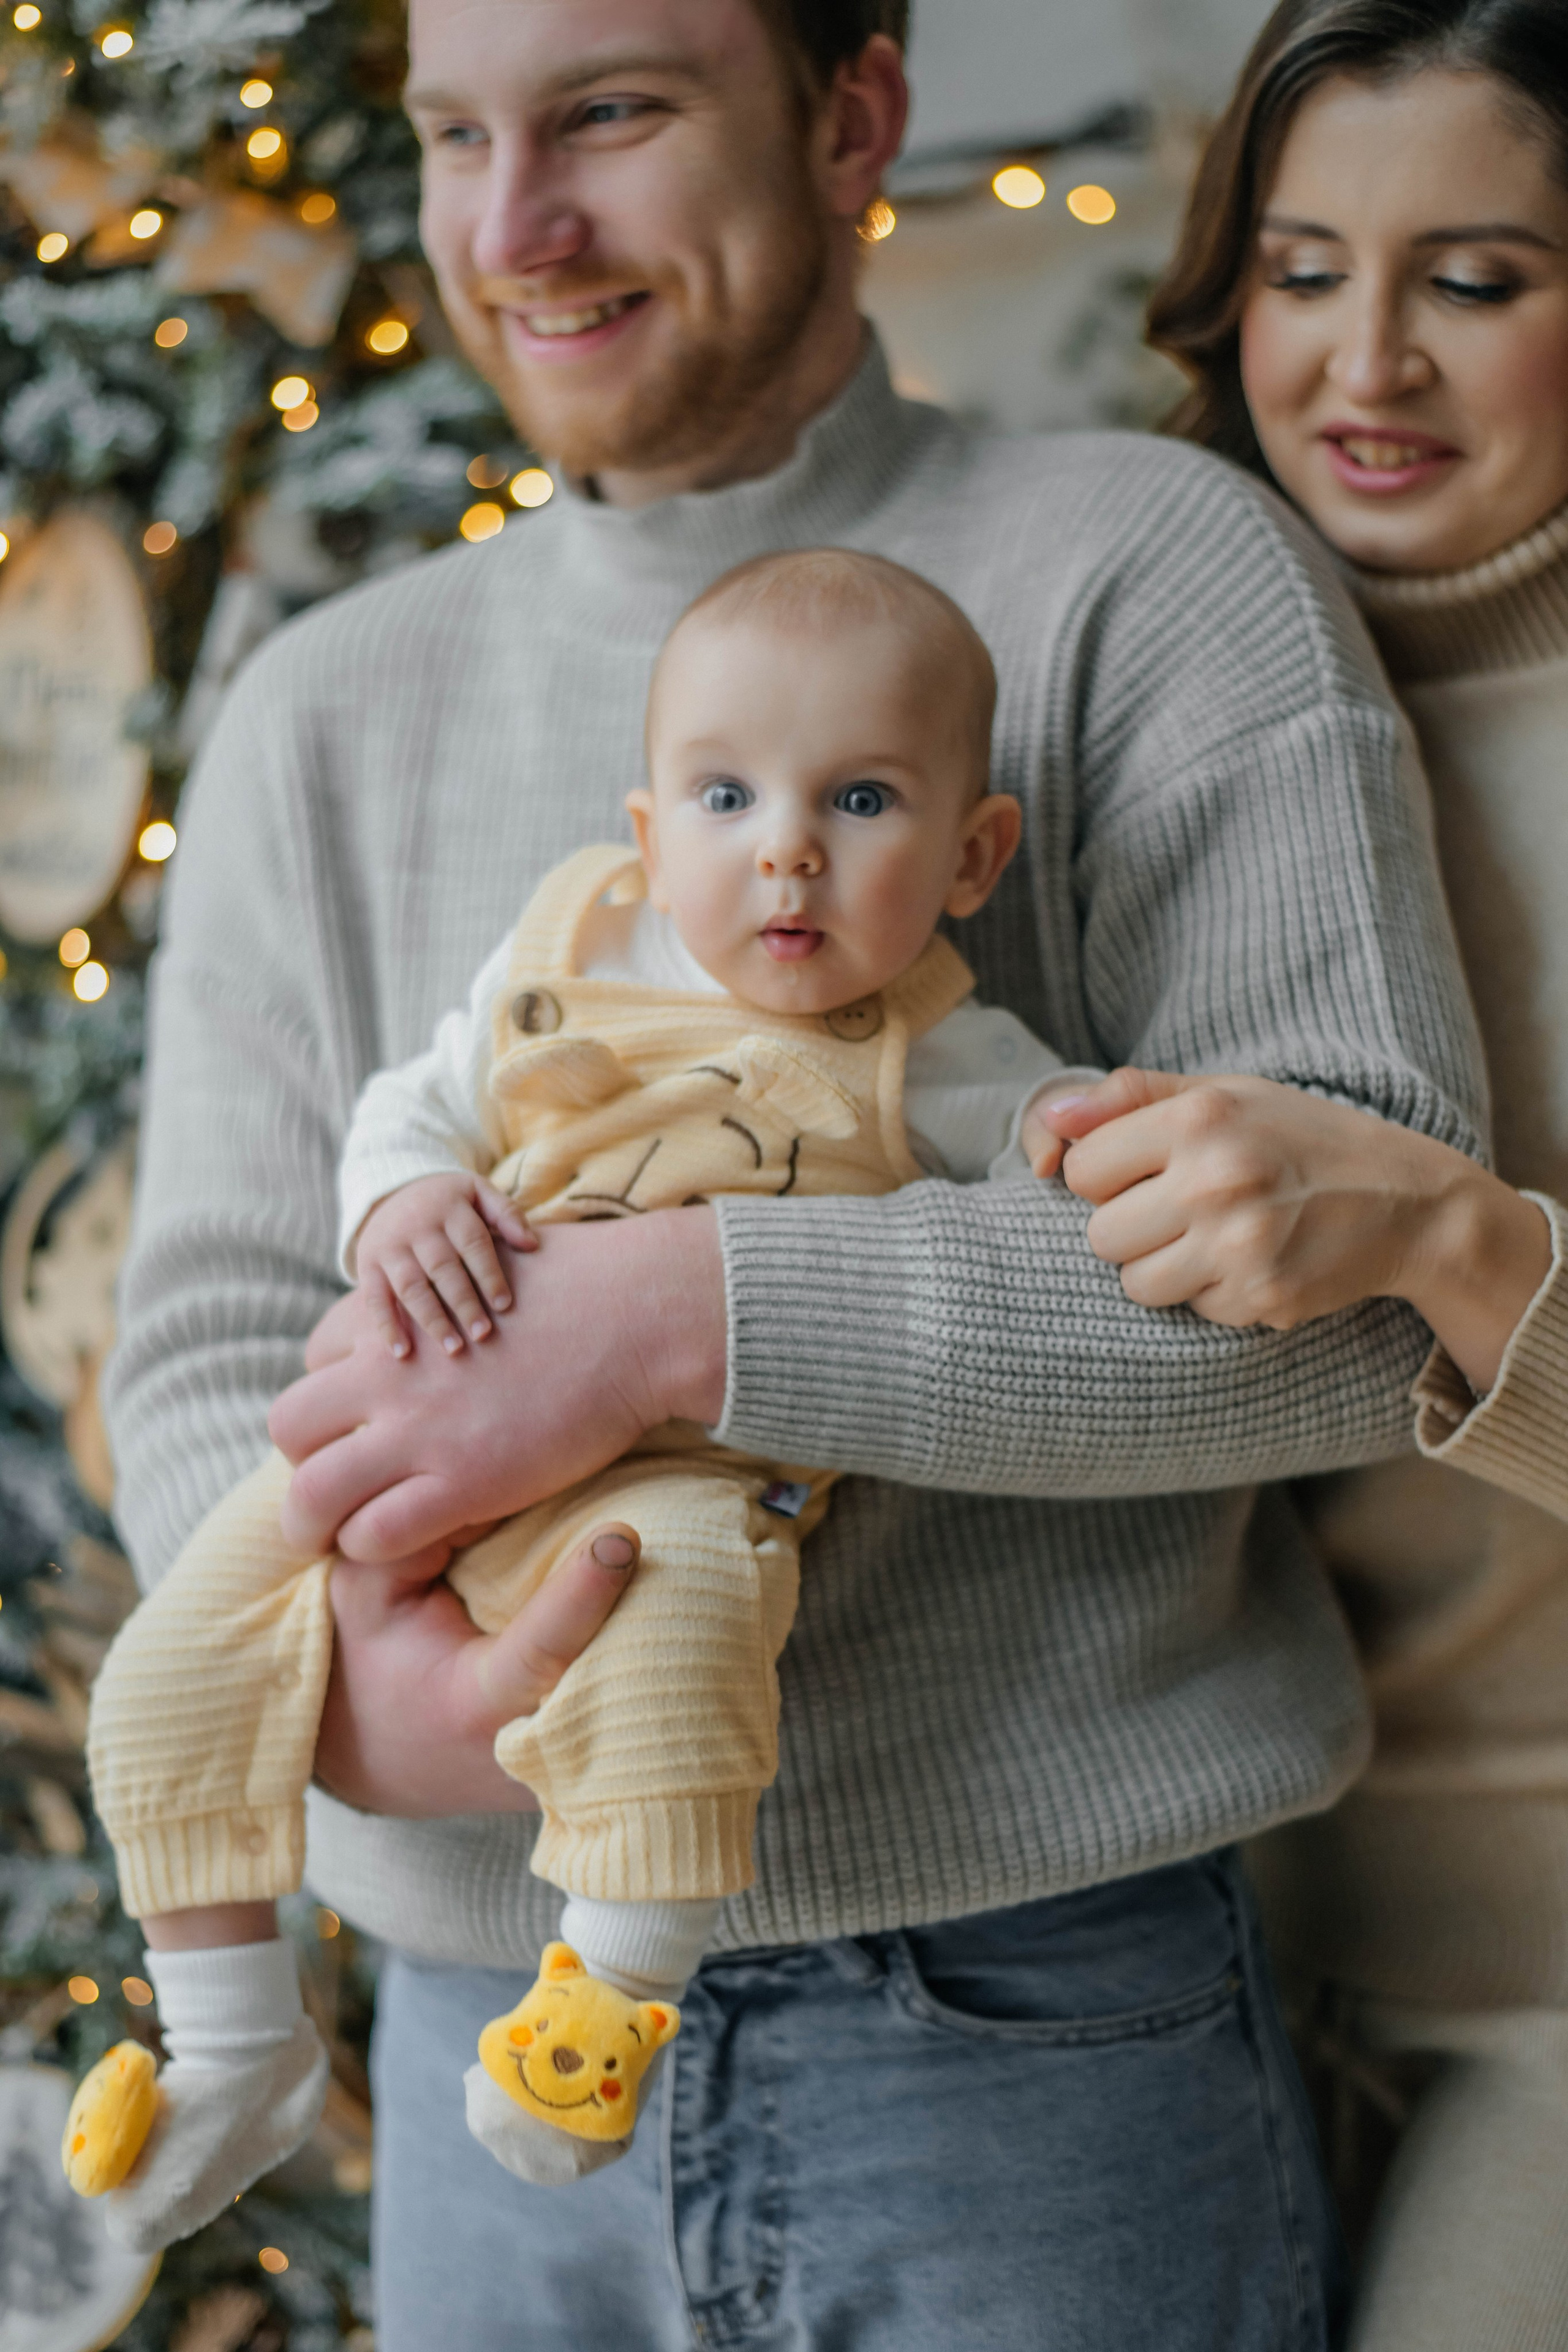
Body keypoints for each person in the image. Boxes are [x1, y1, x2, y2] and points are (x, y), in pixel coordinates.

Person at [102, 1, 1489, 2342]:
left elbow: (1376, 1300)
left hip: (1034, 2042)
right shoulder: (322, 704)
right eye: (454, 133)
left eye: (610, 115)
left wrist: (683, 1318)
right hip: (477, 2044)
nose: (512, 227)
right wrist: (357, 1682)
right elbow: (217, 1330)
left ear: (854, 116)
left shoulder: (1153, 572)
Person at [81, 547, 1098, 2242]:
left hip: (676, 1473)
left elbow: (1060, 1202)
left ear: (976, 854)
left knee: (684, 1641)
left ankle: (606, 1998)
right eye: (724, 794)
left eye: (859, 798)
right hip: (411, 1435)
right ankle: (231, 2041)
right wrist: (402, 1202)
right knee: (179, 1661)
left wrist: (1086, 1140)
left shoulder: (943, 1053)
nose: (784, 848)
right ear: (646, 841)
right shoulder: (562, 949)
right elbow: (413, 1107)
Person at [1030, 3, 1568, 2345]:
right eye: (1299, 265)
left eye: (1476, 279)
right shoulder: (1092, 707)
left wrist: (1459, 1246)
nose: (1366, 360)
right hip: (1173, 1963)